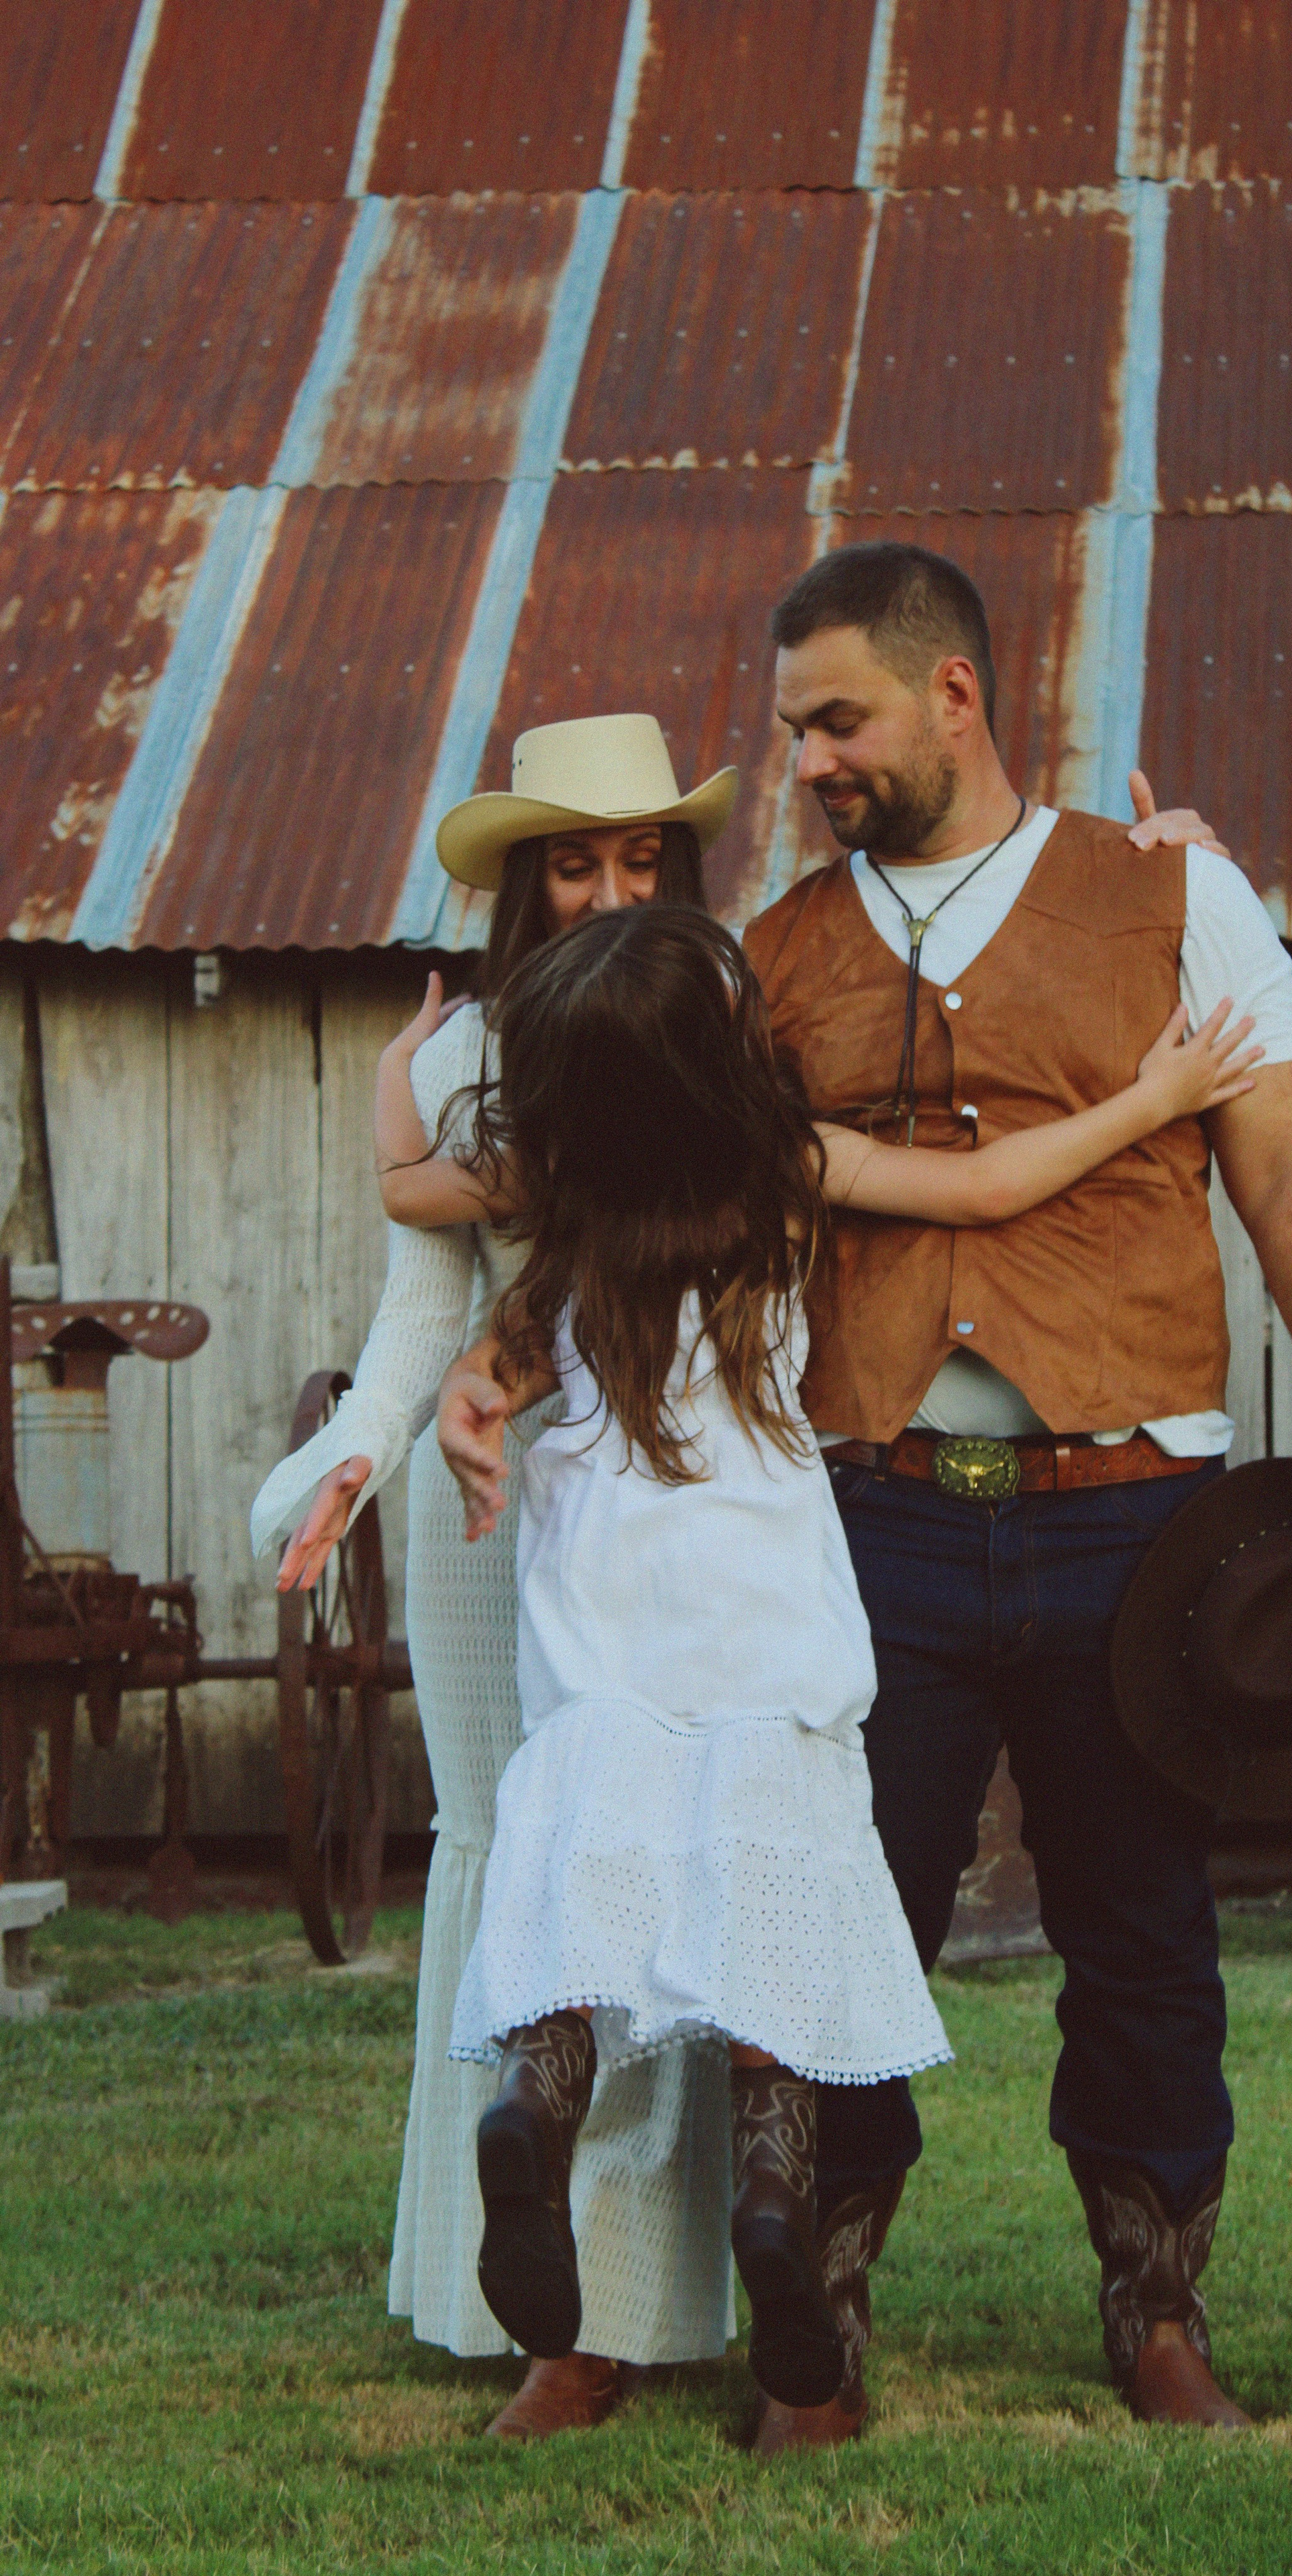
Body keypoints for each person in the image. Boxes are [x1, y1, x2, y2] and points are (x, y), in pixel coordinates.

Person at [374, 902, 1260, 2430]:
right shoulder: (779, 1180)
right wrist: (1154, 1100)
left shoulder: (573, 1213)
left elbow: (421, 1215)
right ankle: (777, 2193)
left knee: (586, 1896)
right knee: (773, 1913)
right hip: (765, 1615)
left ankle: (535, 2101)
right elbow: (985, 1182)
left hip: (603, 1624)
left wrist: (407, 1086)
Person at [743, 540, 1292, 2449]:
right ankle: (823, 2322)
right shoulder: (776, 956)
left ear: (956, 693)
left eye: (841, 720)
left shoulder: (1175, 897)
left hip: (1135, 1514)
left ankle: (1159, 2308)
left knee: (1141, 1929)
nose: (811, 762)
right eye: (796, 730)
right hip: (874, 1511)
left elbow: (1284, 1159)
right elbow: (682, 1212)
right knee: (838, 1924)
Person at [249, 716, 743, 2440]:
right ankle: (515, 2300)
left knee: (649, 1862)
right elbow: (421, 1314)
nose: (609, 889)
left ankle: (641, 2302)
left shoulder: (716, 1022)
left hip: (663, 1470)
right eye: (572, 859)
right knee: (504, 1855)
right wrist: (343, 1467)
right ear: (525, 879)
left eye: (637, 859)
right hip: (483, 1505)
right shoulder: (458, 1056)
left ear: (676, 872)